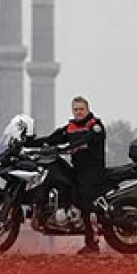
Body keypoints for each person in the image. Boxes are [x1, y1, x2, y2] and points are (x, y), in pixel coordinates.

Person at [35, 96, 107, 255]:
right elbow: (51, 139)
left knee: (85, 200)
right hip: (78, 169)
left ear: (87, 110)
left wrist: (67, 147)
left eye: (81, 109)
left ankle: (92, 244)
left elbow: (86, 139)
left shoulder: (95, 126)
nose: (79, 112)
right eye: (76, 109)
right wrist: (27, 142)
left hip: (92, 170)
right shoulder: (70, 128)